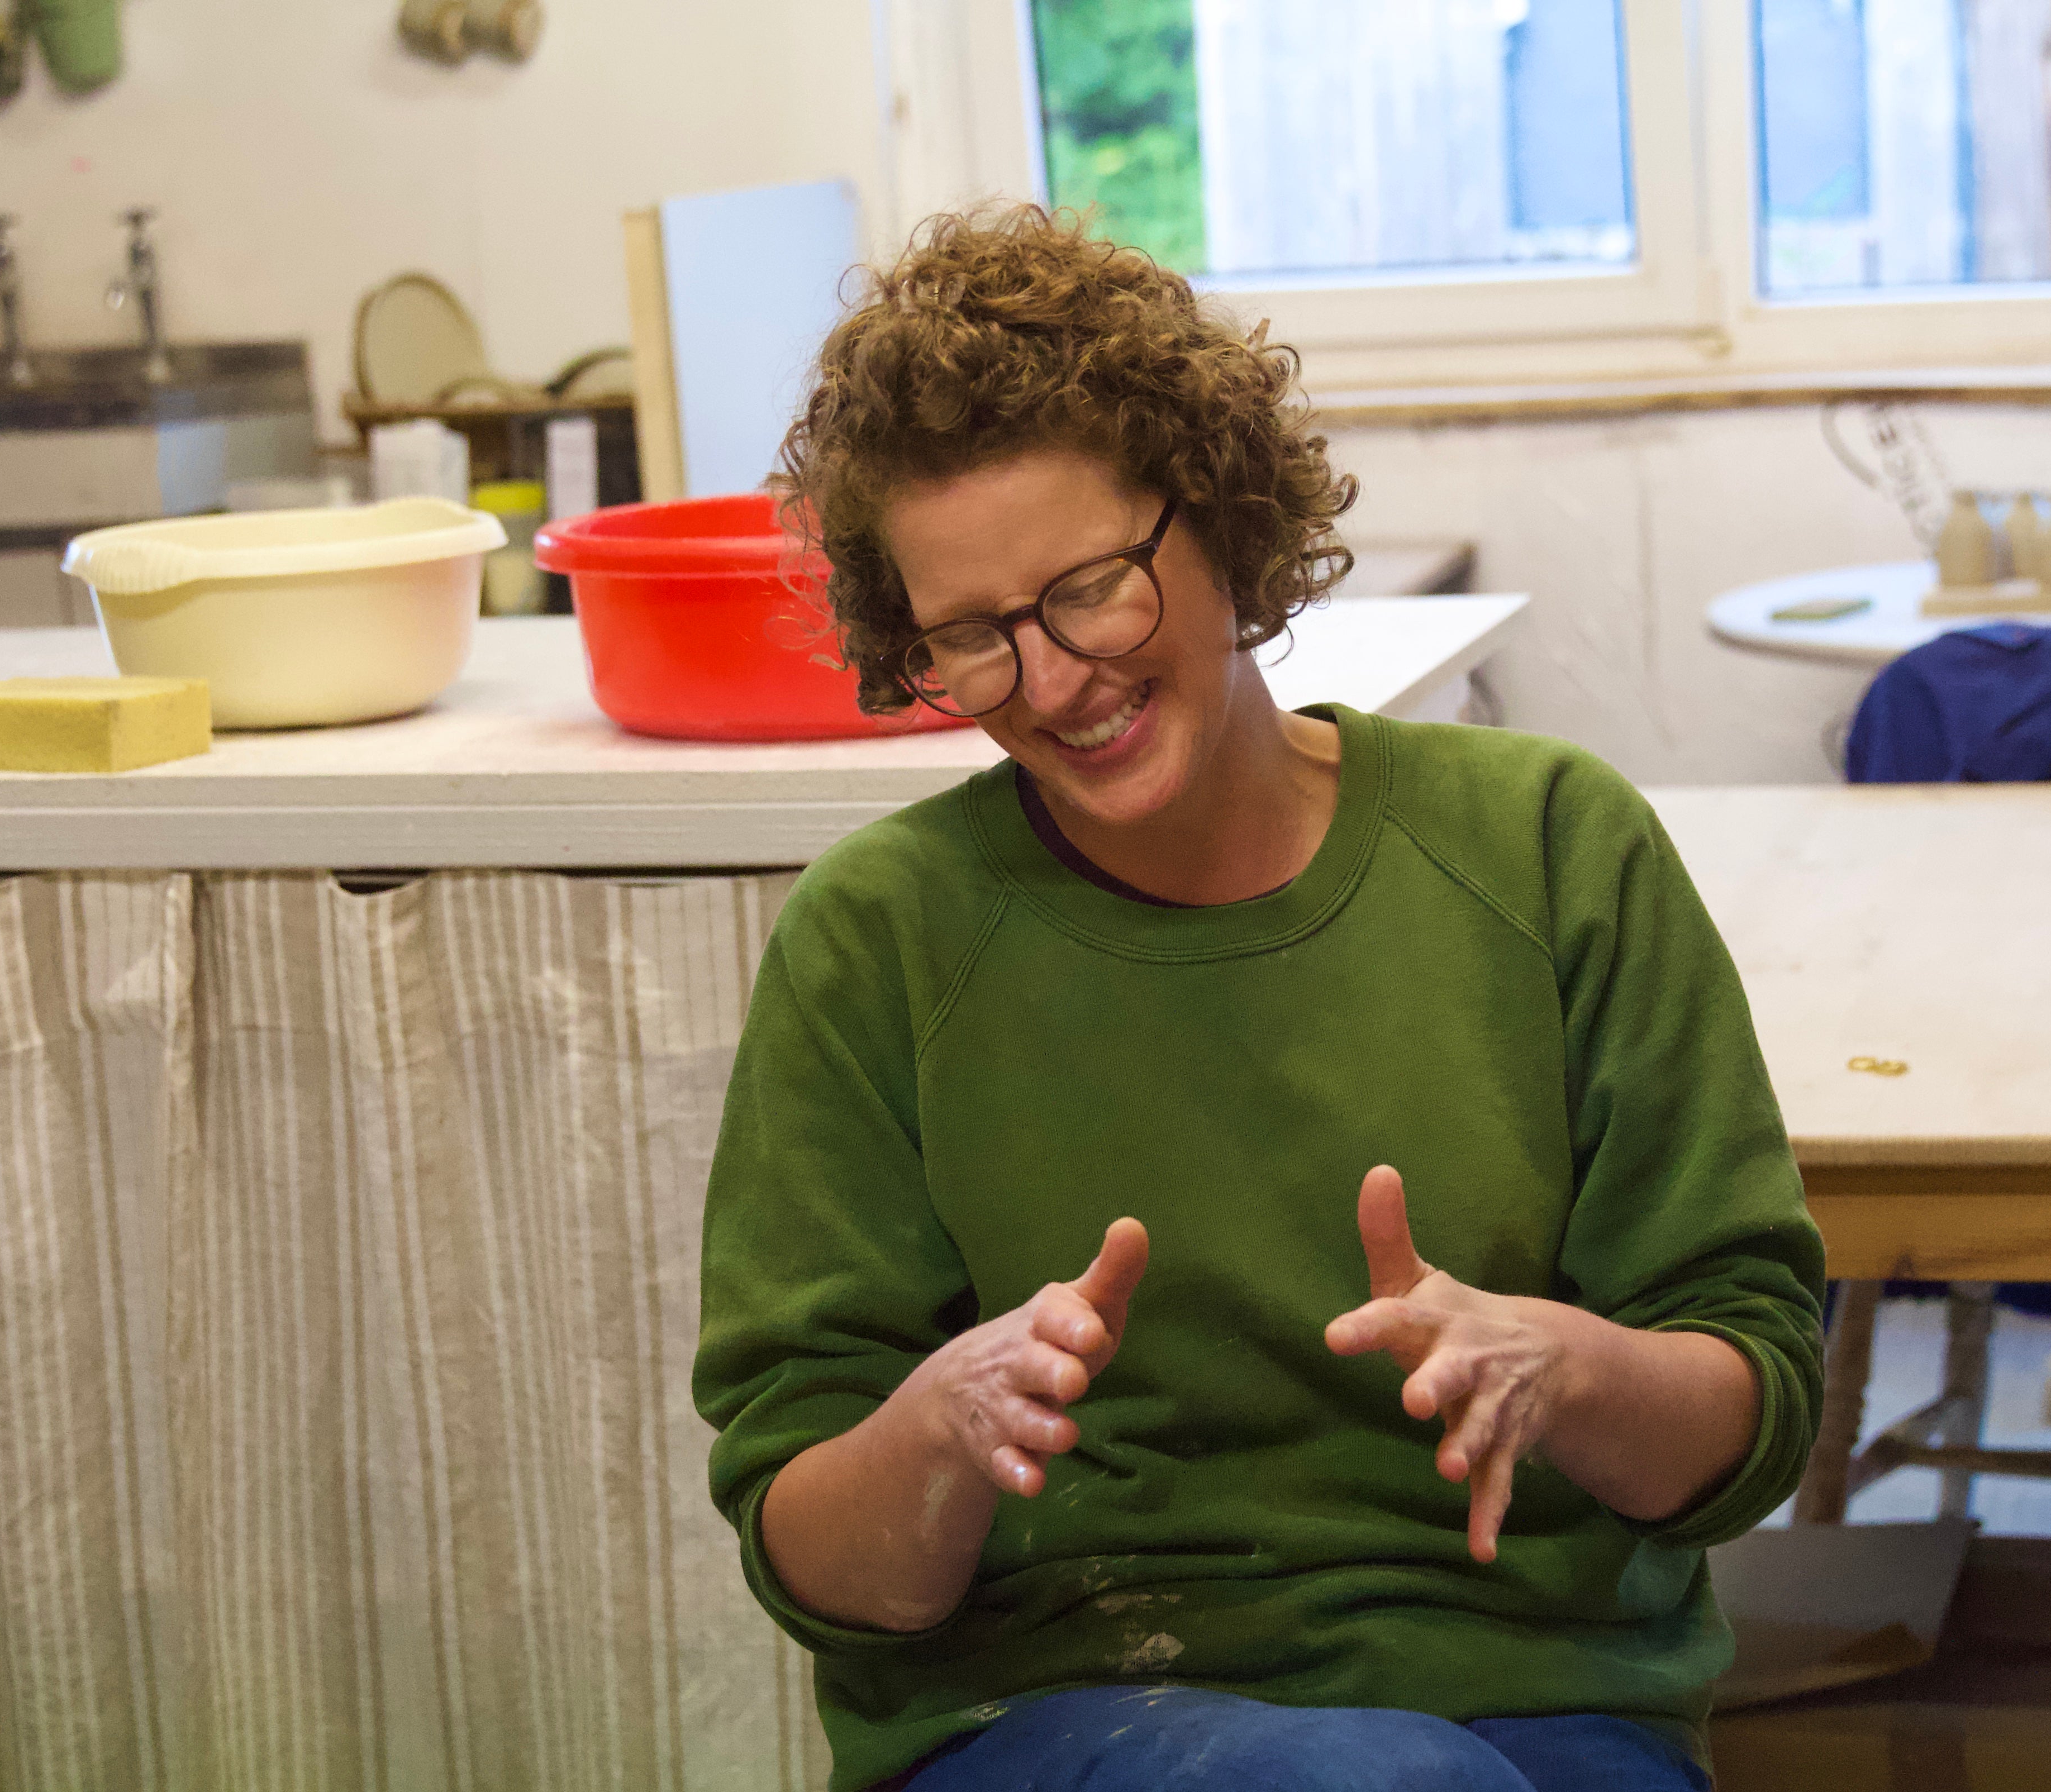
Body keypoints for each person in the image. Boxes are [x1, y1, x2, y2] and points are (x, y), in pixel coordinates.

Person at [692, 207, 1824, 1792]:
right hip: (1051, 1710)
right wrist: (935, 1434)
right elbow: (828, 1569)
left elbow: (1745, 1415)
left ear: (1215, 516)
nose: (1054, 679)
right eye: (968, 639)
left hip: (1546, 1699)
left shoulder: (1550, 850)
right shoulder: (878, 939)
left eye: (1089, 588)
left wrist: (1566, 1371)